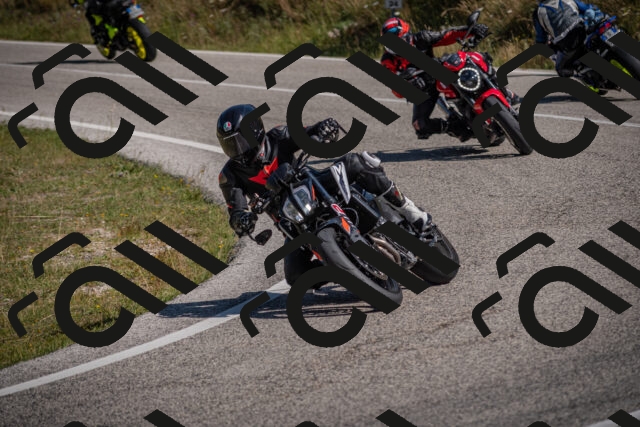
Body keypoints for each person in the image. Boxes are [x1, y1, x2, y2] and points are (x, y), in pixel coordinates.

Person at [217, 104, 433, 286]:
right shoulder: (229, 175)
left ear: (255, 131)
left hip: (316, 186)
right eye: (229, 144)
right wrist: (241, 220)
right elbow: (235, 210)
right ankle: (344, 268)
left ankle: (408, 209)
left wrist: (323, 129)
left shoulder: (277, 137)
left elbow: (306, 133)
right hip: (291, 221)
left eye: (239, 141)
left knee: (355, 163)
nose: (236, 149)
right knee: (295, 276)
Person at [379, 17, 519, 142]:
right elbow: (394, 87)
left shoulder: (421, 38)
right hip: (422, 86)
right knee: (420, 125)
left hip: (439, 71)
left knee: (475, 58)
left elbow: (446, 35)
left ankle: (505, 92)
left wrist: (472, 31)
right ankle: (459, 127)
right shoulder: (387, 61)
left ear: (407, 35)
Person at [533, 0, 605, 90]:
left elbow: (541, 38)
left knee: (561, 69)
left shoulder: (538, 12)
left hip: (568, 43)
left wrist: (543, 44)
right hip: (582, 30)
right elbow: (588, 7)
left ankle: (590, 76)